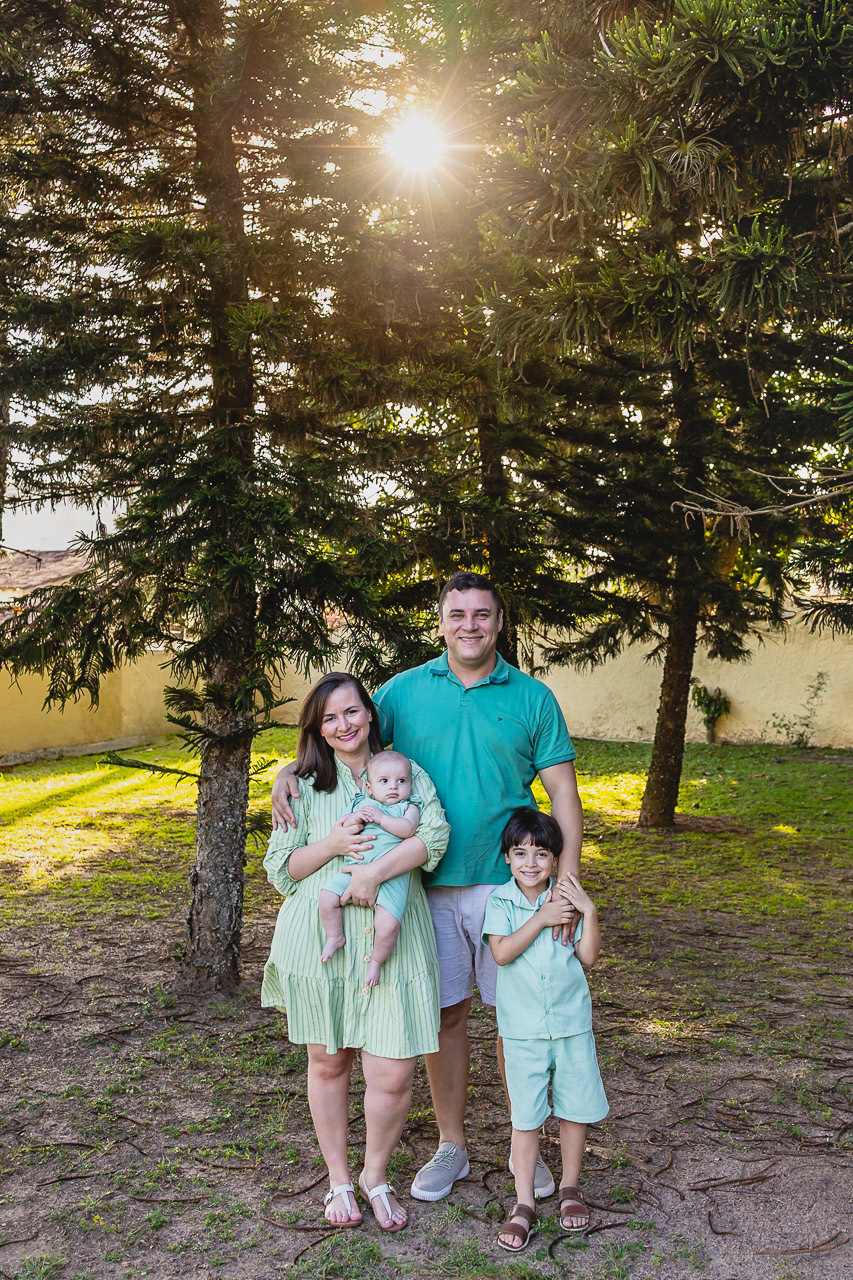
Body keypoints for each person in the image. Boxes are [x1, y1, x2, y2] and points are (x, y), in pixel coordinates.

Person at [272, 571, 583, 1202]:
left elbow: (564, 796)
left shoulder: (532, 698)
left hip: (510, 889)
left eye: (482, 614)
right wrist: (288, 768)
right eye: (457, 614)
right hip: (425, 892)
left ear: (500, 622)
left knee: (521, 1023)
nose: (469, 625)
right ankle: (452, 1146)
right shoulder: (404, 692)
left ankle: (527, 1144)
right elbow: (342, 733)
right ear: (440, 621)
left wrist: (564, 889)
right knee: (445, 1018)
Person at [262, 673, 449, 1231]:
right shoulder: (300, 785)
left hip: (392, 938)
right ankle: (338, 1180)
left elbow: (433, 837)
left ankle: (376, 1175)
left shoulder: (403, 774)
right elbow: (283, 871)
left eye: (352, 712)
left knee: (392, 1070)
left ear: (370, 714)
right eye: (329, 718)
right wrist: (335, 845)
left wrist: (372, 872)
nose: (343, 725)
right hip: (322, 940)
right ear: (318, 728)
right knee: (329, 1060)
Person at [484, 807, 608, 1251]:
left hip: (572, 1026)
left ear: (555, 859)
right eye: (520, 853)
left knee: (574, 1109)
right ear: (507, 858)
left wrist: (587, 911)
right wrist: (540, 918)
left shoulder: (569, 899)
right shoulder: (500, 902)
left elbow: (588, 957)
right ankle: (524, 1204)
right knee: (527, 1116)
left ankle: (571, 1189)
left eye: (541, 854)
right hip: (523, 1031)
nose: (531, 863)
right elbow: (501, 953)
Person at [319, 750, 422, 987]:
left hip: (392, 876)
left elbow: (408, 830)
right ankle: (335, 936)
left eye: (401, 781)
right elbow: (344, 826)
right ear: (369, 787)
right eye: (384, 781)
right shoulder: (361, 804)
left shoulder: (408, 808)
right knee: (326, 899)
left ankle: (376, 961)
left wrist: (380, 818)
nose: (393, 787)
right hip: (354, 867)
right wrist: (356, 819)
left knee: (388, 925)